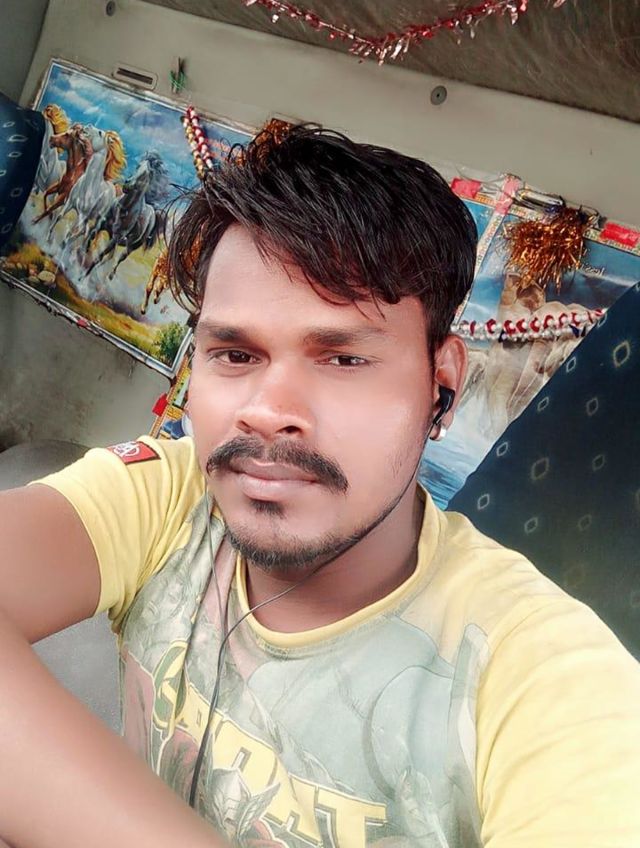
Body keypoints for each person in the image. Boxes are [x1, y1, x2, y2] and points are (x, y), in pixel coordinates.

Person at [1, 125, 639, 848]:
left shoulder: (542, 676)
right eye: (234, 353)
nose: (268, 409)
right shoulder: (173, 496)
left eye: (342, 360)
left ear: (441, 385)